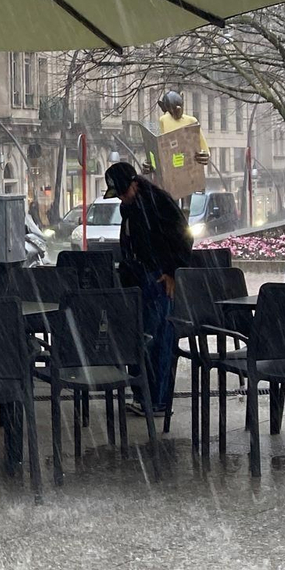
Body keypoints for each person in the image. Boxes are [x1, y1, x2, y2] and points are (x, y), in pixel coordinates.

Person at [105, 161, 193, 414]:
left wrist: (172, 272)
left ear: (135, 183)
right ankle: (147, 397)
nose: (122, 198)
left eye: (124, 192)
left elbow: (183, 236)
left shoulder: (155, 203)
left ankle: (155, 399)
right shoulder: (135, 206)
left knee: (157, 339)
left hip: (157, 278)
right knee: (146, 338)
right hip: (144, 277)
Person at [157, 90, 211, 165]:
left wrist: (205, 155)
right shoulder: (162, 121)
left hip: (189, 168)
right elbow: (156, 148)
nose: (177, 110)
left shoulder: (191, 121)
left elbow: (204, 150)